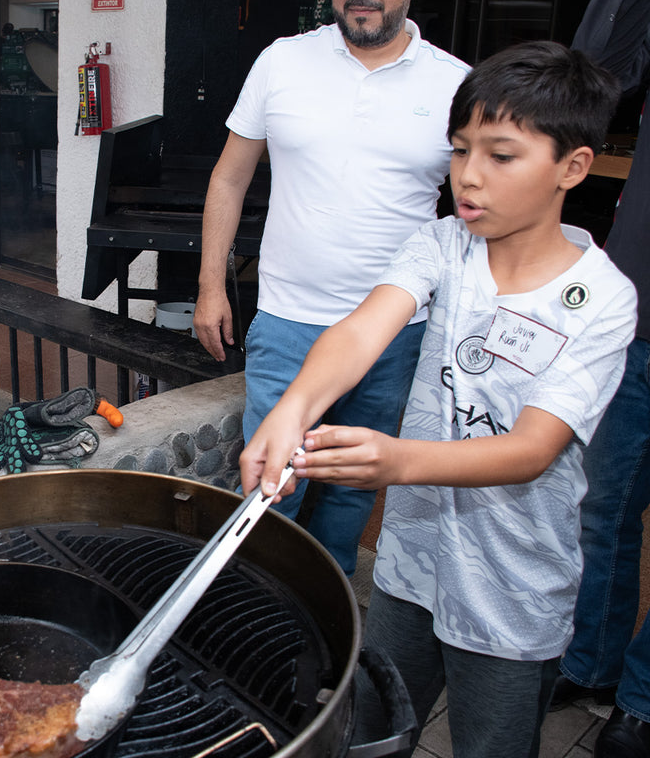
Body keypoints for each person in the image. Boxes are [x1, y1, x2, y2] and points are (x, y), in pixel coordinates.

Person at [240, 41, 637, 757]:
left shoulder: (601, 300)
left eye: (501, 155)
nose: (469, 177)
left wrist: (396, 461)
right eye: (458, 152)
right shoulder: (443, 245)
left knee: (491, 744)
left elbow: (532, 450)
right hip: (409, 567)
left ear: (572, 168)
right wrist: (291, 408)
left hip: (513, 591)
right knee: (375, 728)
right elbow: (360, 331)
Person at [193, 0, 469, 576]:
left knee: (346, 505)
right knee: (267, 503)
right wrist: (211, 285)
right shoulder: (282, 61)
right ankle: (257, 639)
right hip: (288, 322)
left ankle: (323, 650)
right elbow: (229, 177)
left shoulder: (456, 85)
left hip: (396, 336)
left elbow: (476, 210)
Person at [546, 0, 650, 757]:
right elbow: (595, 66)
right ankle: (591, 663)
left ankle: (643, 697)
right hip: (640, 319)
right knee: (604, 508)